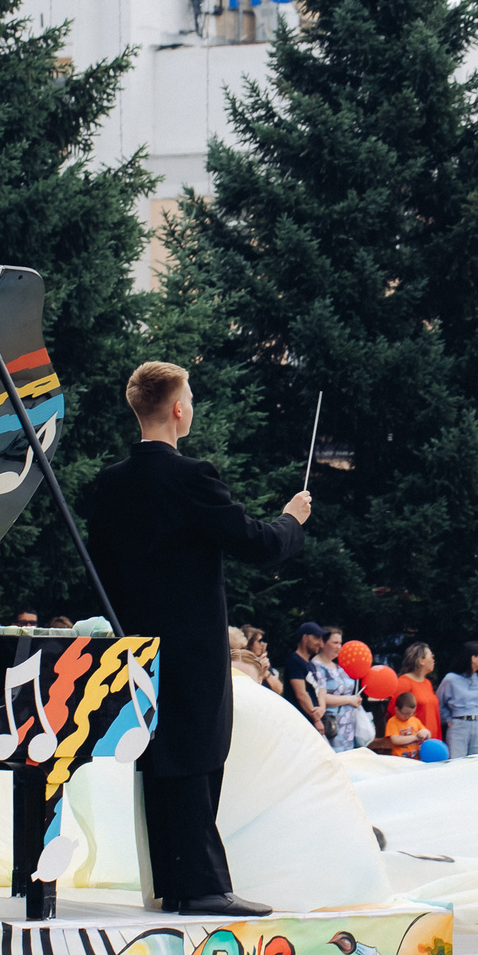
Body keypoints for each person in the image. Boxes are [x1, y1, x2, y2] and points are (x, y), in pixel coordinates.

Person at [79, 360, 307, 918]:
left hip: (136, 645)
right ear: (178, 409)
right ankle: (202, 885)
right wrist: (291, 519)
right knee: (201, 755)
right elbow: (253, 541)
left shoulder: (108, 484)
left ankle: (172, 883)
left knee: (159, 756)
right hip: (193, 645)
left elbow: (99, 566)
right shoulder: (191, 475)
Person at [304, 626, 363, 752]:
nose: (339, 647)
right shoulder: (316, 666)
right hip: (331, 726)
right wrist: (349, 699)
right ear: (323, 643)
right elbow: (321, 696)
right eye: (335, 643)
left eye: (340, 643)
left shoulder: (338, 666)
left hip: (348, 727)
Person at [436, 642, 478, 761]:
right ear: (473, 658)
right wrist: (448, 718)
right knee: (456, 762)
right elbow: (438, 703)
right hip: (458, 726)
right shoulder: (451, 679)